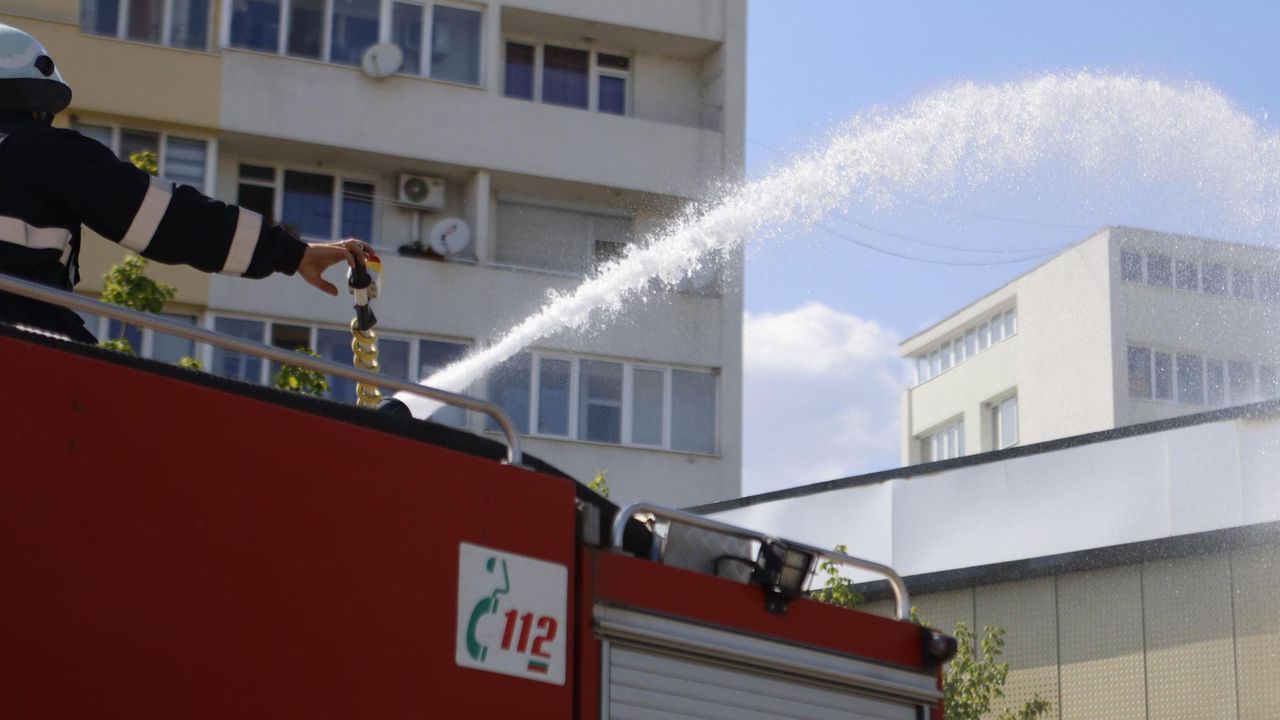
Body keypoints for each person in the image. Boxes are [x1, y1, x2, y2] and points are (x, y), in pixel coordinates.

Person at [0, 22, 367, 343]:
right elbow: (168, 221)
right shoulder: (43, 153)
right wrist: (292, 253)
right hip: (24, 349)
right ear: (31, 104)